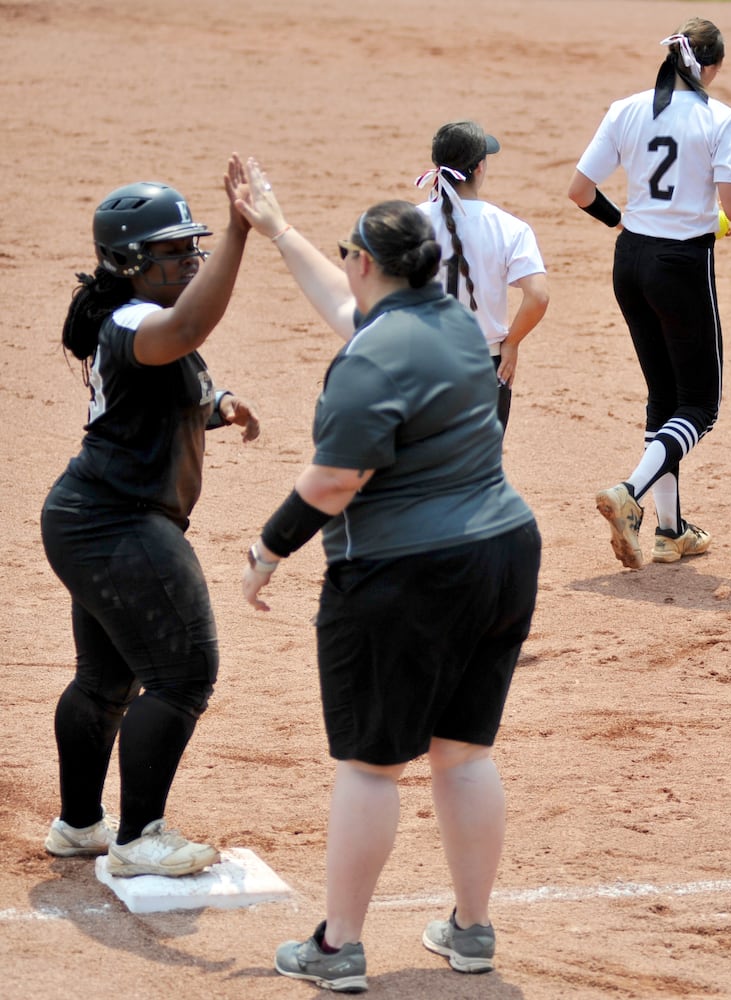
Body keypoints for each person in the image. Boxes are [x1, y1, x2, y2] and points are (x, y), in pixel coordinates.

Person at [235, 158, 541, 991]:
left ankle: (336, 949)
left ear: (366, 263)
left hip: (409, 572)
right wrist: (276, 227)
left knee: (371, 765)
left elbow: (336, 481)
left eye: (346, 255)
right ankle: (471, 932)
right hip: (504, 553)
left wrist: (267, 551)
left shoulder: (370, 360)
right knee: (464, 755)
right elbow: (347, 310)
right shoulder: (450, 322)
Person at [41, 155, 260, 877]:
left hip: (95, 518)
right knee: (183, 674)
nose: (189, 261)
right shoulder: (137, 319)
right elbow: (187, 328)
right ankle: (139, 838)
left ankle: (81, 826)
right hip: (116, 523)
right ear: (129, 261)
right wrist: (238, 231)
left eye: (192, 247)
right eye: (172, 252)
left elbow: (173, 378)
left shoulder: (133, 318)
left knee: (105, 682)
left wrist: (217, 406)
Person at [568, 18, 731, 569]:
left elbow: (580, 191)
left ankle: (671, 532)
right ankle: (630, 491)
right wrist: (712, 229)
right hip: (681, 263)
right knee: (700, 406)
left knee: (664, 398)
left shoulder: (626, 107)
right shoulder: (719, 117)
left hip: (631, 261)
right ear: (711, 67)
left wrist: (623, 222)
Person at [415, 120, 549, 431]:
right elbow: (538, 296)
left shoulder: (410, 221)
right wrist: (511, 343)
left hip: (422, 361)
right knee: (478, 469)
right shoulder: (509, 227)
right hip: (485, 364)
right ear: (479, 168)